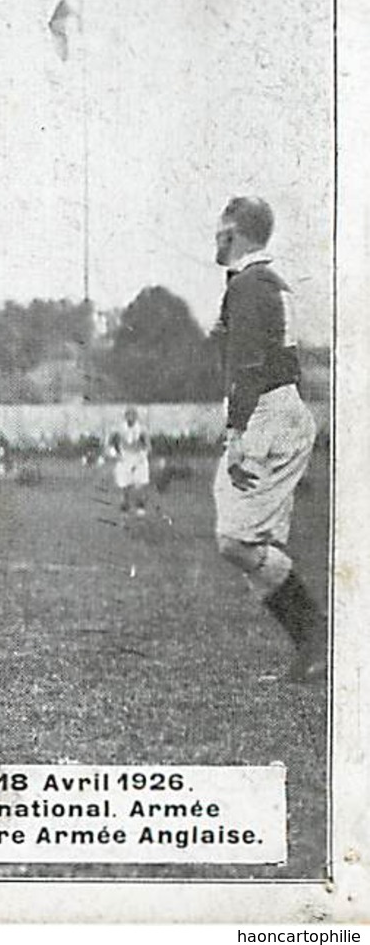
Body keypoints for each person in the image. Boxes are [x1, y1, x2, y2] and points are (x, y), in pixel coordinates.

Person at [210, 196, 325, 682]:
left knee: (235, 540)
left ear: (232, 231)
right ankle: (314, 644)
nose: (214, 236)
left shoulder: (251, 283)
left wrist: (237, 429)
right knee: (239, 540)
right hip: (274, 409)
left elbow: (249, 364)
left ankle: (317, 635)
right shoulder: (266, 281)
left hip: (267, 415)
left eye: (219, 227)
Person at [113, 406, 151, 516]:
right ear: (125, 417)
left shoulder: (142, 429)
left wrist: (142, 456)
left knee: (139, 485)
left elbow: (148, 446)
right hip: (125, 458)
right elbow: (113, 443)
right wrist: (116, 454)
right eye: (128, 415)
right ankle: (124, 507)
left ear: (136, 417)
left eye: (133, 415)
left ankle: (140, 506)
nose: (130, 418)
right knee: (124, 485)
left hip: (139, 458)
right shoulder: (120, 429)